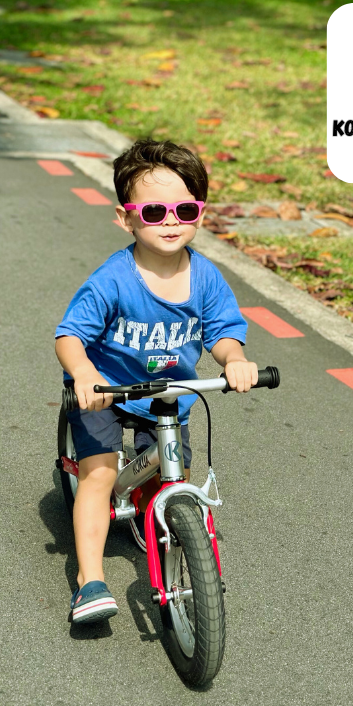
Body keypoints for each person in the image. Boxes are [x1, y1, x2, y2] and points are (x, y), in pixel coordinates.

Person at [55, 139, 258, 624]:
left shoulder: (206, 278)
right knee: (100, 477)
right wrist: (84, 373)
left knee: (174, 475)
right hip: (107, 390)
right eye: (153, 211)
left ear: (201, 214)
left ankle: (169, 528)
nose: (170, 220)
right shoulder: (113, 279)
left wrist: (234, 359)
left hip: (168, 396)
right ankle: (90, 580)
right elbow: (69, 335)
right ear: (126, 218)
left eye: (184, 208)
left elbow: (225, 332)